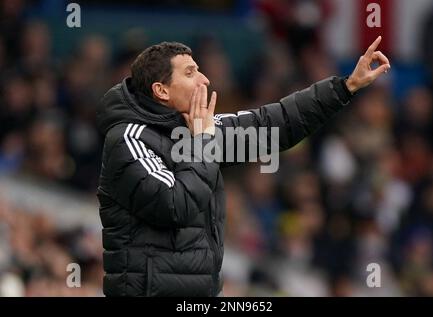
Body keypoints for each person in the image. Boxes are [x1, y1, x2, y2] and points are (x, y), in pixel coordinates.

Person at [96, 37, 390, 297]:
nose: (204, 80)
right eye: (190, 73)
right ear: (161, 90)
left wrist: (345, 86)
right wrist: (203, 142)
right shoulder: (128, 139)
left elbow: (273, 124)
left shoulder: (197, 130)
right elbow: (175, 205)